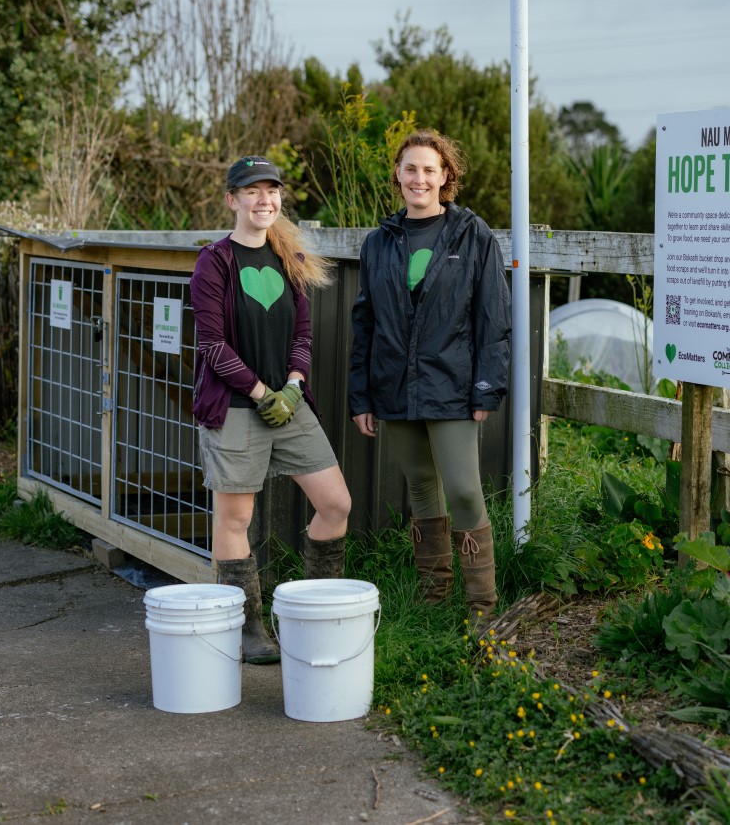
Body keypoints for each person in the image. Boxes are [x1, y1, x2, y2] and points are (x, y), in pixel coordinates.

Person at [191, 155, 352, 664]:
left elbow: (302, 336)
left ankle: (311, 614)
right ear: (232, 200)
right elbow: (212, 346)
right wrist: (264, 394)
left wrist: (294, 384)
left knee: (336, 505)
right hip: (237, 405)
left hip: (289, 399)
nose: (265, 200)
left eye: (272, 191)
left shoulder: (290, 260)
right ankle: (248, 629)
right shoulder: (214, 262)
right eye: (253, 191)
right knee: (236, 516)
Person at [348, 130, 510, 629]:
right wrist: (361, 395)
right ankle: (433, 594)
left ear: (446, 178)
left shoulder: (472, 235)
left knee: (462, 490)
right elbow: (365, 321)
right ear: (397, 176)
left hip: (452, 385)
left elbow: (493, 315)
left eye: (430, 170)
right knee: (420, 486)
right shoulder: (378, 242)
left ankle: (482, 608)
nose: (420, 178)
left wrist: (487, 385)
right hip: (393, 386)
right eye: (411, 169)